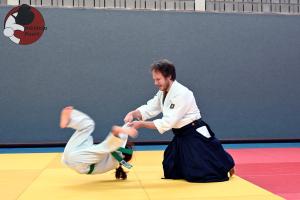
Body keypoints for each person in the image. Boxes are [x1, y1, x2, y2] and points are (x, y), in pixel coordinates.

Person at [124, 59, 235, 183]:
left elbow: (167, 122)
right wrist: (133, 113)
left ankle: (227, 163)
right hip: (181, 134)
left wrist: (140, 124)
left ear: (169, 76)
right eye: (154, 79)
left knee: (199, 173)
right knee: (170, 166)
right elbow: (150, 107)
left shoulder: (182, 93)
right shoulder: (163, 92)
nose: (155, 83)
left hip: (194, 133)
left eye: (158, 79)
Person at [60, 106, 138, 180]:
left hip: (81, 161)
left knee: (106, 147)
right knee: (89, 126)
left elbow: (116, 144)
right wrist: (127, 126)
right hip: (72, 157)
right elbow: (117, 143)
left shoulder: (116, 159)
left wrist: (125, 128)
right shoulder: (115, 162)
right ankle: (69, 121)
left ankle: (71, 120)